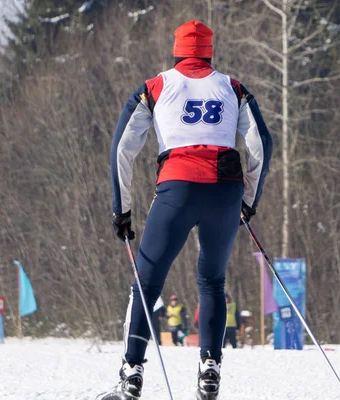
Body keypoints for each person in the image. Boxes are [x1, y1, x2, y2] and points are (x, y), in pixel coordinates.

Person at [99, 19, 272, 400]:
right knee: (212, 280)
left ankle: (132, 374)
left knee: (147, 281)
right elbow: (262, 143)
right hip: (225, 190)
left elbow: (122, 149)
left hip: (177, 188)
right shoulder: (233, 87)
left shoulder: (156, 86)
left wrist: (122, 208)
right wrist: (249, 201)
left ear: (176, 50)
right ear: (210, 51)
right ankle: (210, 369)